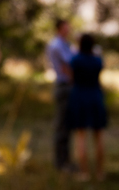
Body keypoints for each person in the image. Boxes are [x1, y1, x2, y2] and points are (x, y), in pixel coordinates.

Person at [67, 33, 107, 181]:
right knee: (99, 136)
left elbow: (71, 78)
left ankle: (83, 173)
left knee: (81, 136)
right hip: (95, 97)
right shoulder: (98, 60)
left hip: (79, 97)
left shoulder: (75, 60)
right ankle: (100, 172)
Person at [46, 19, 74, 171]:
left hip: (67, 86)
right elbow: (67, 64)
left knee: (67, 125)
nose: (68, 30)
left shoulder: (65, 44)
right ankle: (61, 162)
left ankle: (66, 160)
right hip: (63, 86)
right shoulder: (57, 45)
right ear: (59, 28)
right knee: (62, 125)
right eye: (65, 27)